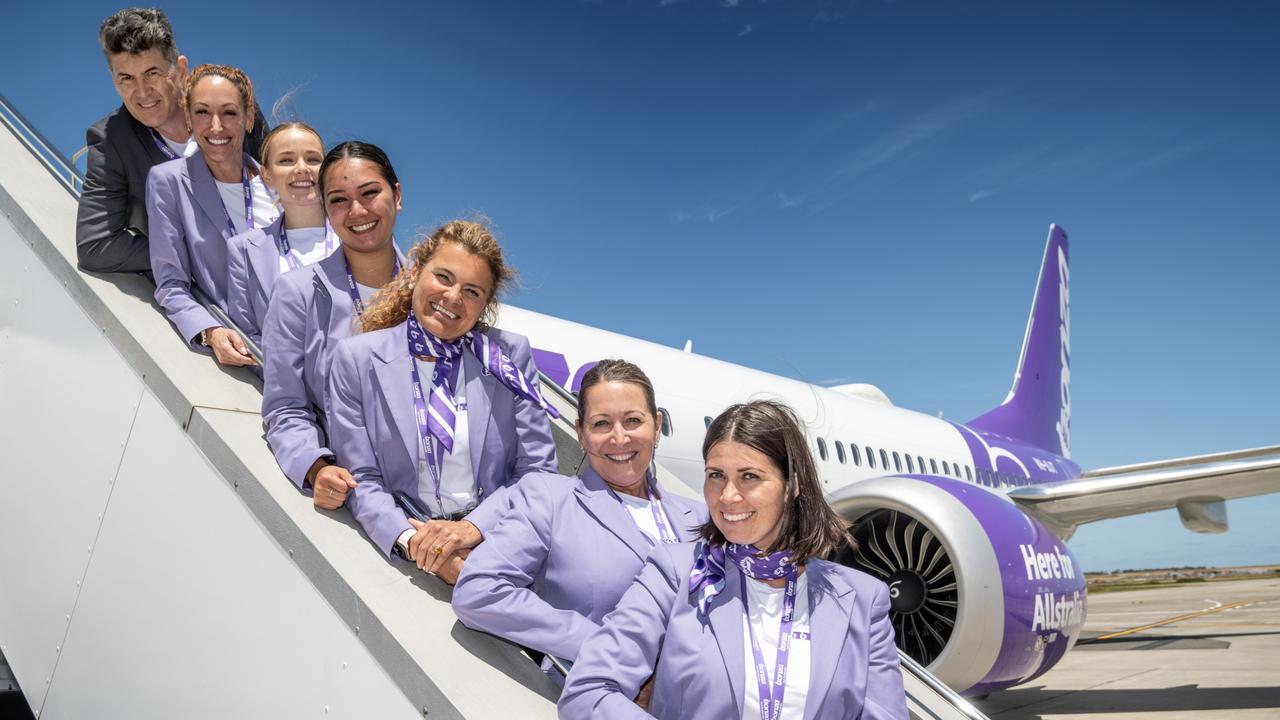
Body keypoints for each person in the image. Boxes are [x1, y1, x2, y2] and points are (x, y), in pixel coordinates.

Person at [559, 400, 908, 719]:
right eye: (716, 476)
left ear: (793, 485)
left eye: (750, 477)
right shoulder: (675, 572)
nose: (727, 496)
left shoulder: (863, 599)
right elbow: (587, 690)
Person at [327, 220, 560, 583]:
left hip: (498, 539)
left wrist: (473, 528)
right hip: (409, 536)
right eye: (444, 278)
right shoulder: (356, 359)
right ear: (416, 271)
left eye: (472, 291)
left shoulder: (510, 357)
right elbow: (363, 479)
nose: (453, 298)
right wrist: (416, 544)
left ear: (485, 304)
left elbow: (538, 472)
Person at [452, 359, 708, 679]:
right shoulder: (552, 500)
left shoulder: (703, 518)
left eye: (633, 421)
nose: (619, 438)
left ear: (656, 428)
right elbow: (479, 591)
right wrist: (609, 649)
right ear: (581, 434)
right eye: (601, 424)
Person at [260, 140, 405, 509]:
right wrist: (315, 466)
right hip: (357, 489)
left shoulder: (436, 297)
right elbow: (285, 407)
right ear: (325, 209)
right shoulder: (296, 293)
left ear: (397, 195)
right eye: (338, 199)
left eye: (370, 192)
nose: (357, 210)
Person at [77, 8, 265, 274]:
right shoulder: (110, 141)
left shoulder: (232, 105)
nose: (142, 93)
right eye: (127, 79)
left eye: (152, 74)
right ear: (114, 81)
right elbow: (95, 244)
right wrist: (192, 252)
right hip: (207, 297)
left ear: (180, 69)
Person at [147, 63, 277, 366]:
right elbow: (170, 284)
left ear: (248, 119)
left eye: (229, 113)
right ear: (189, 119)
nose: (216, 126)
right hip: (259, 356)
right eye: (203, 112)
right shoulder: (168, 182)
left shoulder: (278, 182)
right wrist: (210, 330)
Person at [227, 122, 334, 346]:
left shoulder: (359, 236)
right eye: (286, 160)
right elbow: (248, 337)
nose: (301, 168)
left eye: (313, 159)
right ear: (267, 175)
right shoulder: (243, 251)